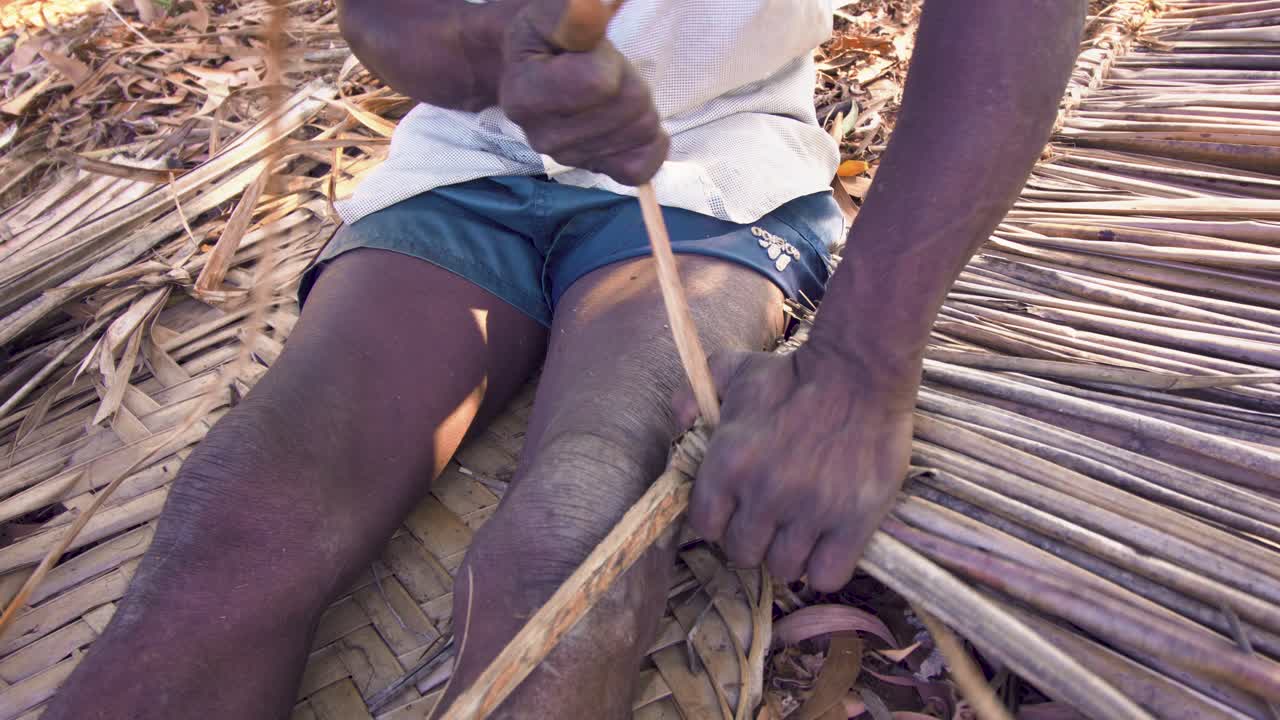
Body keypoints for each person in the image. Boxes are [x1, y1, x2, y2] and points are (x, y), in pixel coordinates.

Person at [45, 1, 1086, 718]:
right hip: (465, 158)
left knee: (569, 556)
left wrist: (859, 363)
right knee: (234, 522)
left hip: (717, 170)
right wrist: (488, 49)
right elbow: (382, 13)